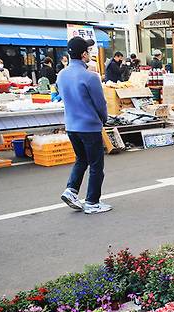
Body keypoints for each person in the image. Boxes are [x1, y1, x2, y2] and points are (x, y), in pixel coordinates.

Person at [57, 37, 110, 215]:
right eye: (88, 51)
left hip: (71, 126)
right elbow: (100, 103)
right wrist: (104, 118)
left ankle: (71, 190)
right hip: (89, 126)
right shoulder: (90, 76)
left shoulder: (61, 75)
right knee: (96, 166)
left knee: (81, 160)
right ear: (84, 54)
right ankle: (92, 202)